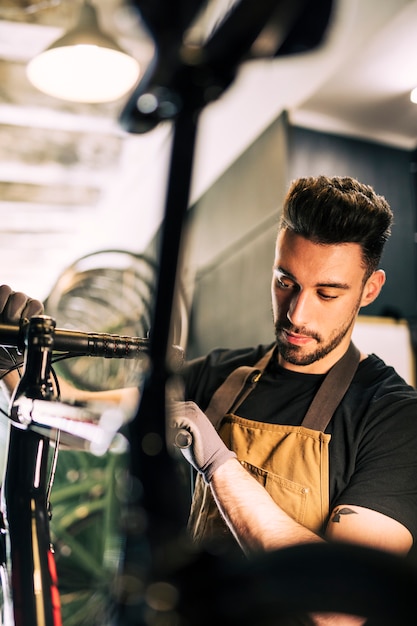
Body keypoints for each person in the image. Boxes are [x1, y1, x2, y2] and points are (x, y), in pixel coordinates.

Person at [1, 176, 417, 625]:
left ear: (370, 289)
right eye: (285, 282)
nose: (297, 313)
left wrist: (219, 464)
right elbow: (77, 414)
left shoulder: (394, 417)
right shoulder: (222, 376)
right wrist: (13, 368)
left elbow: (337, 605)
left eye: (327, 293)